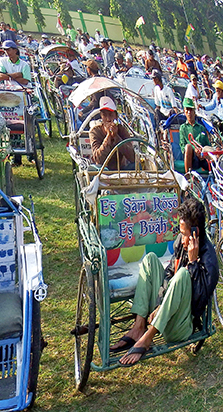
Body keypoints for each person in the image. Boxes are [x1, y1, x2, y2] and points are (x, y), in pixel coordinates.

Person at [111, 198, 218, 366]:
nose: (182, 239)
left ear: (196, 232)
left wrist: (192, 264)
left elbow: (197, 304)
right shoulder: (180, 244)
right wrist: (160, 303)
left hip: (179, 326)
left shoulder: (209, 260)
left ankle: (148, 337)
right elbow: (168, 274)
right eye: (181, 233)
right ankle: (139, 327)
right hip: (165, 314)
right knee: (150, 260)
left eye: (184, 234)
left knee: (182, 274)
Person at [89, 96, 136, 170]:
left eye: (111, 115)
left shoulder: (122, 130)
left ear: (116, 116)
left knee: (136, 166)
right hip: (102, 169)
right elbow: (98, 159)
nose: (108, 119)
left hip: (121, 169)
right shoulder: (95, 131)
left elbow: (132, 157)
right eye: (104, 115)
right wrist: (108, 137)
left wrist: (116, 137)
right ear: (101, 116)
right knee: (101, 169)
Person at [181, 97, 213, 173]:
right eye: (187, 110)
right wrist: (194, 150)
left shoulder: (201, 128)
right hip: (192, 159)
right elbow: (182, 146)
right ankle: (189, 177)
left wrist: (203, 152)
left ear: (194, 112)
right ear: (184, 111)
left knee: (216, 151)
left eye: (191, 110)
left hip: (203, 157)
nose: (189, 112)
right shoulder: (183, 128)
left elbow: (208, 144)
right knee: (188, 147)